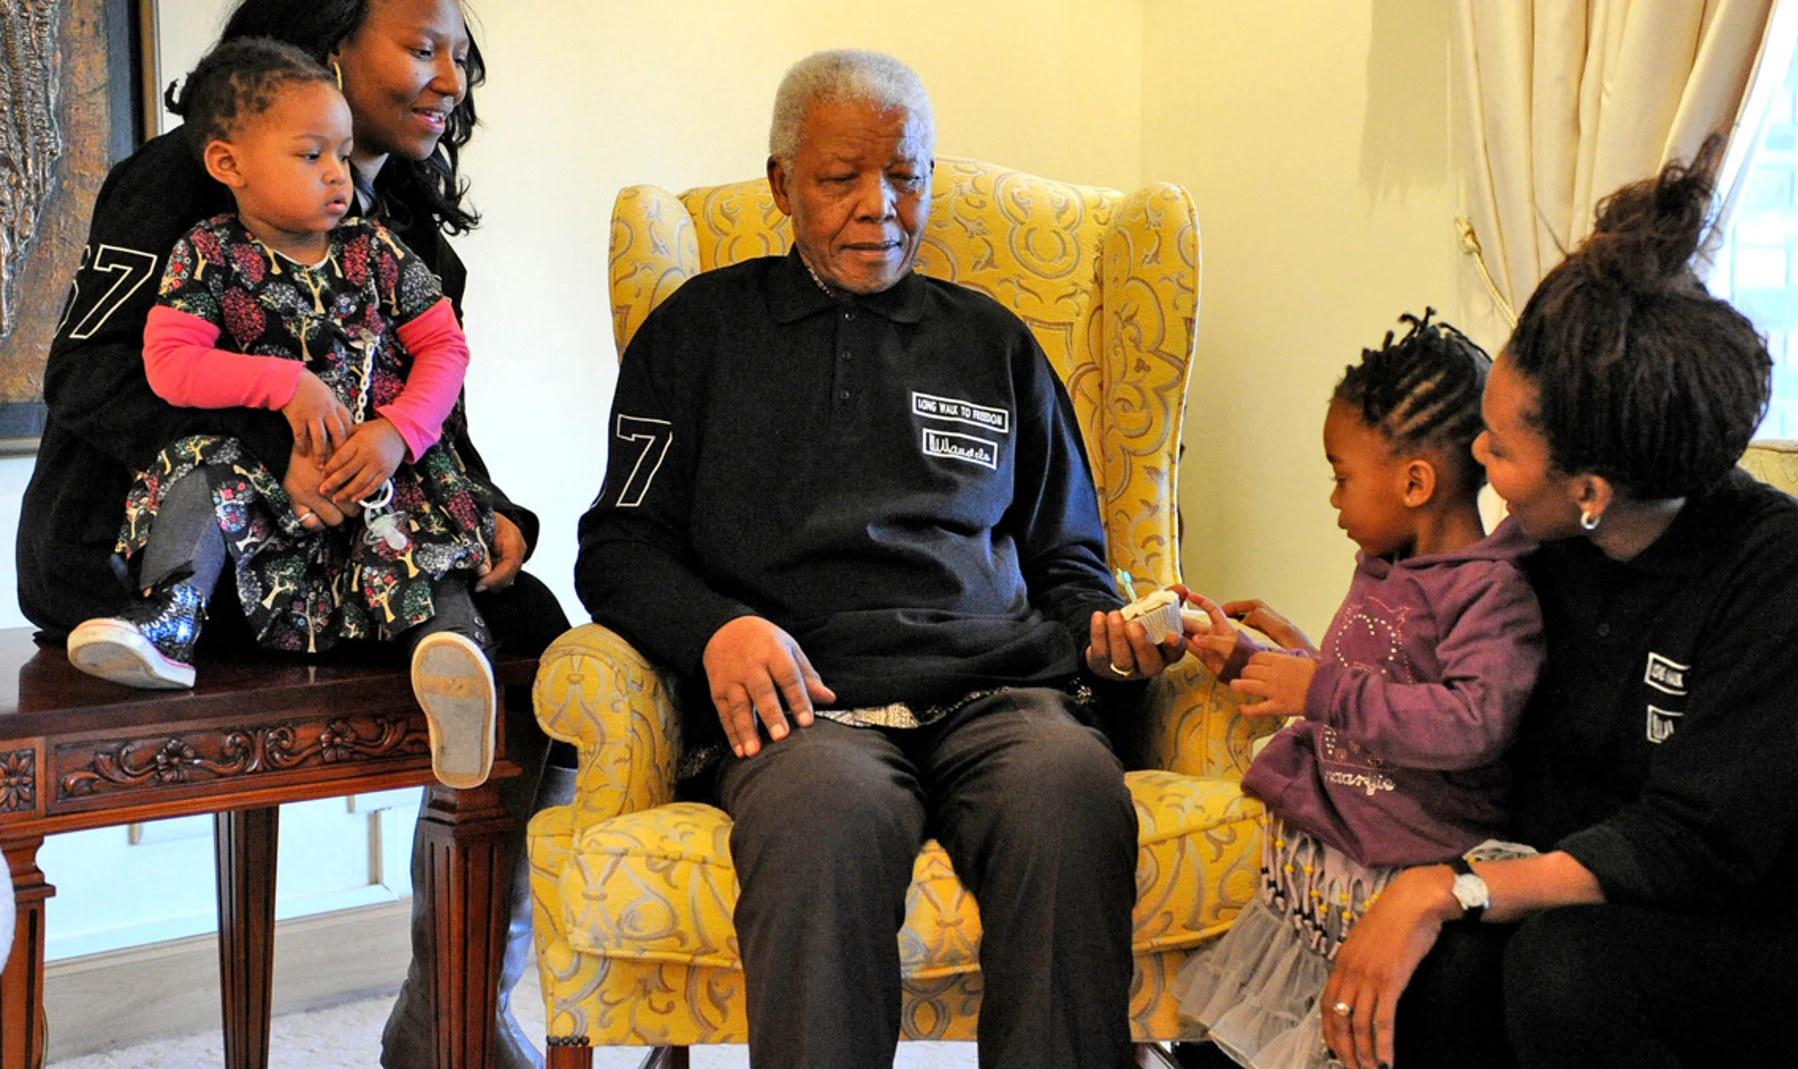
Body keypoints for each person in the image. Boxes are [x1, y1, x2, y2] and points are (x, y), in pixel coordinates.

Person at [574, 48, 1180, 1069]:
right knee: (819, 828)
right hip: (806, 705)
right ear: (780, 184)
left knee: (1072, 795)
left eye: (905, 174)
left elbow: (1069, 558)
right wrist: (716, 630)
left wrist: (1111, 640)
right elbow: (618, 546)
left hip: (1004, 693)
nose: (880, 207)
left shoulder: (996, 344)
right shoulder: (695, 335)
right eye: (839, 177)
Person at [17, 2, 572, 1066]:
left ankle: (452, 1009)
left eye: (462, 56)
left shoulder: (395, 226)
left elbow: (431, 413)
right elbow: (89, 378)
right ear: (327, 38)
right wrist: (278, 455)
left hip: (338, 539)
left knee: (539, 636)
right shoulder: (181, 184)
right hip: (150, 543)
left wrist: (494, 514)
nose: (450, 79)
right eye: (421, 47)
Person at [1318, 141, 1798, 1069]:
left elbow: (1693, 846)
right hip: (1611, 898)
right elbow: (1440, 672)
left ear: (1590, 487)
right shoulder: (1544, 547)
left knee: (1562, 971)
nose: (1477, 457)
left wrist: (1449, 887)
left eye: (1500, 449)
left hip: (1791, 918)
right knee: (1445, 980)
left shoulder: (1780, 569)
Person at [64, 37, 501, 791]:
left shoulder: (381, 251)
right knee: (198, 469)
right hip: (275, 485)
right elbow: (168, 364)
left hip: (378, 462)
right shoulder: (205, 253)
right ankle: (168, 615)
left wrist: (398, 433)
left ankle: (454, 657)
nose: (339, 175)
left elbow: (445, 352)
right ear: (228, 164)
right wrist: (284, 384)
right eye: (311, 156)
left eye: (341, 154)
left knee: (419, 520)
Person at [1169, 313, 1543, 1069]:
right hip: (1330, 859)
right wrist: (1243, 657)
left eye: (1342, 476)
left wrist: (1322, 686)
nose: (1334, 500)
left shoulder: (1491, 590)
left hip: (1407, 860)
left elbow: (1472, 721)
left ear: (1414, 481)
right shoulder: (1387, 563)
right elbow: (1367, 687)